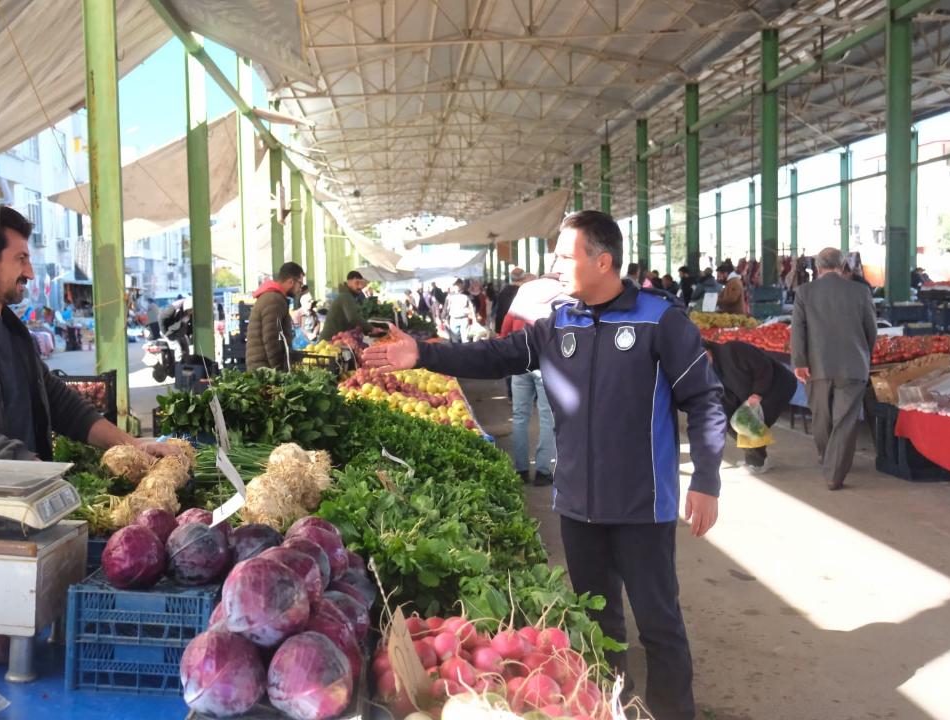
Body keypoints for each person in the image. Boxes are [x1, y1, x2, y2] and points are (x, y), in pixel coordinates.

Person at [364, 210, 723, 720]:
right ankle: (613, 710)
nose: (553, 265)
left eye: (563, 255)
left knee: (660, 626)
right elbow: (495, 356)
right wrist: (423, 353)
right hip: (577, 507)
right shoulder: (560, 323)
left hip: (643, 507)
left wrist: (706, 480)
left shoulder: (659, 320)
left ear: (603, 261)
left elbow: (706, 399)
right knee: (601, 629)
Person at [0, 206, 174, 513]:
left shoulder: (12, 333)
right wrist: (27, 467)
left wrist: (132, 445)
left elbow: (59, 402)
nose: (30, 272)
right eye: (20, 259)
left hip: (2, 507)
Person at [791, 247, 877, 491]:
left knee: (821, 416)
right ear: (843, 267)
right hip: (853, 364)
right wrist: (864, 354)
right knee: (845, 419)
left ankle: (827, 459)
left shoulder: (804, 292)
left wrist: (799, 362)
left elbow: (798, 330)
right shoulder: (861, 291)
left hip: (816, 366)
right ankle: (834, 472)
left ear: (817, 268)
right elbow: (871, 329)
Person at [500, 276, 561, 486]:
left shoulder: (518, 307)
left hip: (520, 365)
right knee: (547, 418)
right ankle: (543, 472)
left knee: (520, 416)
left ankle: (521, 469)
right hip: (546, 367)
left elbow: (504, 334)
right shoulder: (552, 308)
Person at [704, 340, 797, 473]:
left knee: (749, 421)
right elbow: (724, 397)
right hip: (748, 395)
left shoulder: (733, 349)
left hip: (776, 385)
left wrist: (758, 393)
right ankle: (757, 459)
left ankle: (757, 463)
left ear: (706, 351)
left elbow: (764, 367)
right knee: (728, 420)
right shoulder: (708, 371)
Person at [246, 262, 306, 370]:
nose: (300, 288)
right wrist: (278, 370)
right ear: (291, 281)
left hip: (263, 367)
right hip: (264, 370)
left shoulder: (274, 297)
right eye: (300, 284)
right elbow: (271, 338)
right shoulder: (274, 300)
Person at [494, 267, 526, 333]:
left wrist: (498, 328)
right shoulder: (524, 290)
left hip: (503, 325)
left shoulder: (504, 290)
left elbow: (500, 310)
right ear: (524, 277)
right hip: (518, 328)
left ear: (511, 278)